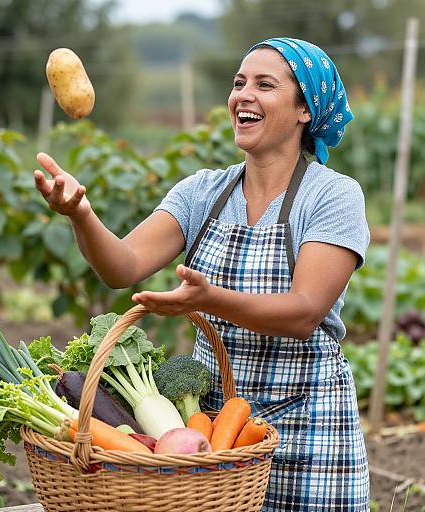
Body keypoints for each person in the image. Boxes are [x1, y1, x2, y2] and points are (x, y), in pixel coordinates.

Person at [33, 37, 370, 511]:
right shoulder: (203, 192)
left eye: (265, 84)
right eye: (238, 83)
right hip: (211, 440)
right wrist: (81, 215)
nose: (243, 95)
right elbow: (122, 266)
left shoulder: (332, 196)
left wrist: (207, 299)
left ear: (305, 110)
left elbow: (304, 312)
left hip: (310, 433)